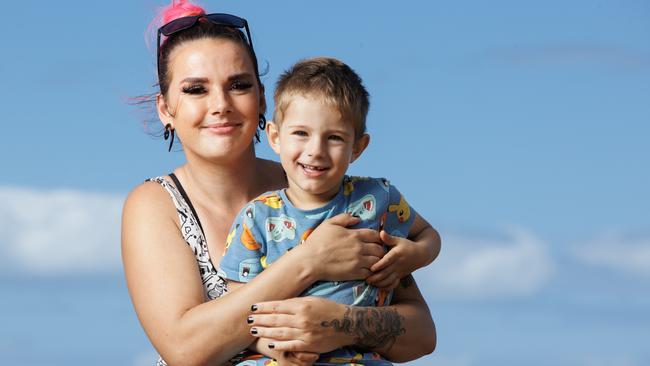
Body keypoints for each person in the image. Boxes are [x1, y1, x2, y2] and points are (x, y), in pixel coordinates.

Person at [121, 1, 439, 365]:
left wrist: (342, 325)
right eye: (196, 89)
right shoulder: (155, 205)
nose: (220, 104)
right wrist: (309, 261)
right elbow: (185, 350)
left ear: (261, 100)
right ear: (166, 109)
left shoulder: (317, 184)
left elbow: (422, 335)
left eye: (238, 85)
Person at [219, 57, 440, 366]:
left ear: (358, 147)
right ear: (275, 137)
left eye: (334, 137)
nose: (316, 150)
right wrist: (276, 347)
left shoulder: (378, 198)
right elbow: (238, 311)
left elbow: (429, 235)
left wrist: (416, 256)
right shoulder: (256, 218)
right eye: (300, 133)